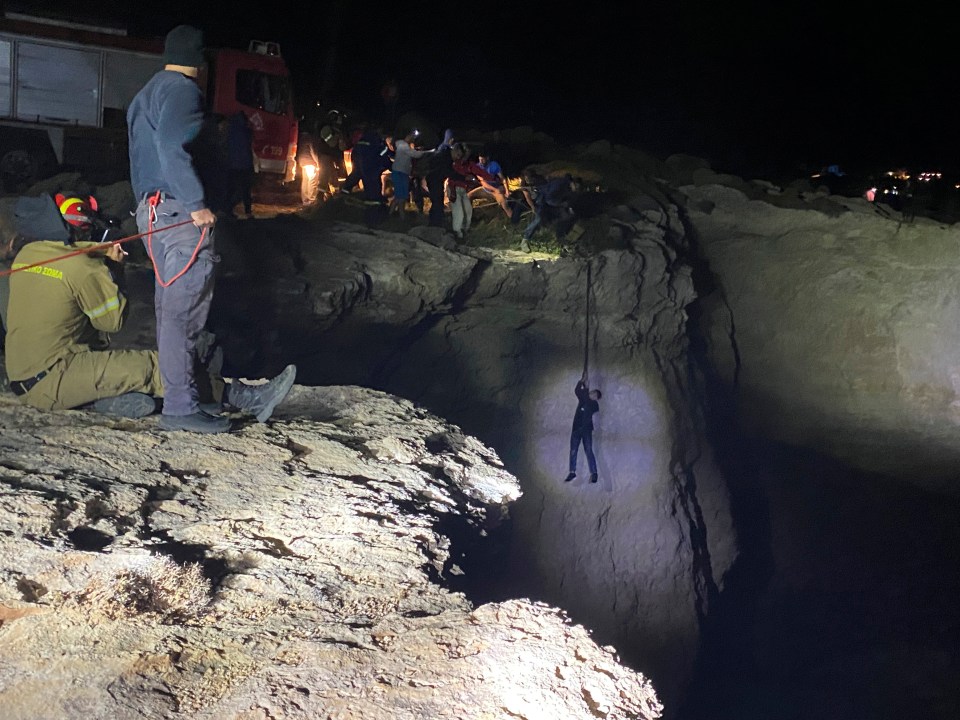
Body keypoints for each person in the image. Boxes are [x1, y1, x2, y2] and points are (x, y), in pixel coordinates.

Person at [3, 194, 295, 427]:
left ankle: (102, 400)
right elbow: (112, 323)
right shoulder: (83, 268)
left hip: (23, 376)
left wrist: (96, 251)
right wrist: (114, 268)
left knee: (120, 366)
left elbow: (68, 263)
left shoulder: (27, 256)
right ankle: (245, 398)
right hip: (54, 378)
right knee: (157, 366)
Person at [128, 24, 273, 433]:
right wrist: (197, 205)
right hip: (176, 213)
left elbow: (148, 153)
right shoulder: (182, 91)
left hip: (154, 212)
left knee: (169, 310)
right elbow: (172, 148)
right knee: (182, 313)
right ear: (201, 61)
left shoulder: (147, 92)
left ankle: (189, 398)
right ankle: (179, 408)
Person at [447, 143, 498, 240]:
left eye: (468, 153)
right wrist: (452, 190)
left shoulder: (469, 165)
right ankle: (457, 233)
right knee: (459, 212)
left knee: (468, 210)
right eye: (465, 152)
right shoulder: (455, 164)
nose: (467, 155)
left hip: (463, 190)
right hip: (453, 188)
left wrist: (493, 179)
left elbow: (480, 172)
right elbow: (452, 177)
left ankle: (465, 230)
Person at [522, 171, 580, 251]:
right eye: (577, 186)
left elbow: (567, 200)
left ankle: (562, 240)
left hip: (553, 202)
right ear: (573, 183)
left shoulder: (568, 188)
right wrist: (562, 204)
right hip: (543, 200)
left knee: (567, 216)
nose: (576, 188)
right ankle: (525, 240)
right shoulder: (559, 184)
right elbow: (550, 199)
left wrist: (569, 208)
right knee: (539, 219)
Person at [564, 370, 602, 484]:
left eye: (594, 394)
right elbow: (577, 391)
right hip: (576, 429)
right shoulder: (583, 399)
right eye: (592, 392)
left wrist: (586, 387)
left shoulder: (594, 405)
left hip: (586, 431)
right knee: (573, 451)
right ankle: (572, 472)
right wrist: (582, 381)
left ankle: (594, 473)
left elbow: (588, 402)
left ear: (596, 398)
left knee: (588, 450)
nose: (591, 394)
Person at [389, 129, 433, 214]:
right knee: (400, 197)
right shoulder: (402, 145)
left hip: (403, 173)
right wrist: (425, 151)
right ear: (407, 136)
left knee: (400, 196)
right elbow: (416, 154)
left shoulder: (403, 145)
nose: (413, 138)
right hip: (400, 173)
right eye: (412, 136)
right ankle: (400, 216)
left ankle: (393, 214)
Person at [226, 111, 255, 218]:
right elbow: (249, 145)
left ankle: (228, 211)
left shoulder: (229, 131)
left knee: (232, 189)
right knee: (246, 190)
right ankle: (248, 212)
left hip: (233, 165)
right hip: (245, 165)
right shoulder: (246, 131)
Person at [474, 151, 513, 218]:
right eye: (479, 160)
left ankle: (513, 219)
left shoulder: (494, 165)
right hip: (486, 189)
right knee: (469, 195)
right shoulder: (477, 167)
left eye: (482, 160)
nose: (481, 162)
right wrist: (495, 190)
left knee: (504, 205)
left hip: (496, 186)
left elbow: (502, 178)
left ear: (487, 158)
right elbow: (483, 183)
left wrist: (507, 190)